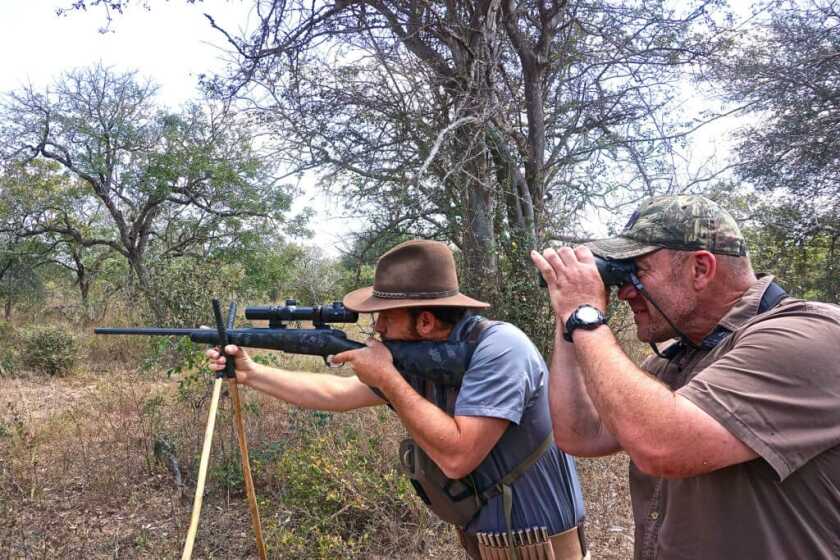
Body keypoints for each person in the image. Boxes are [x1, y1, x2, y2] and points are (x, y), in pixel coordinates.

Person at [208, 239, 587, 560]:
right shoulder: (421, 356)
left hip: (543, 547)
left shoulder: (501, 349)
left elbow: (458, 456)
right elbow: (337, 392)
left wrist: (388, 378)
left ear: (424, 322)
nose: (377, 330)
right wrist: (251, 373)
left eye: (384, 319)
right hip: (489, 543)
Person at [531, 194, 840, 559]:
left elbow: (662, 446)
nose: (625, 291)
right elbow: (579, 434)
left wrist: (584, 314)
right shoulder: (681, 361)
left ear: (700, 269)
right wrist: (566, 312)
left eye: (637, 272)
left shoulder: (807, 335)